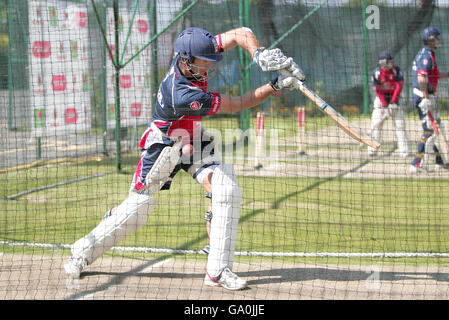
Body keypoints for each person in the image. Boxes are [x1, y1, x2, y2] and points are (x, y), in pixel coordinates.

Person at [64, 26, 304, 291]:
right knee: (136, 211)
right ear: (187, 61)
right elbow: (237, 103)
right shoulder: (183, 95)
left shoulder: (193, 53)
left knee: (226, 189)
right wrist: (275, 86)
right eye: (205, 63)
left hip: (193, 136)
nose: (210, 67)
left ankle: (217, 271)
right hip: (165, 145)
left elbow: (242, 33)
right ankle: (81, 253)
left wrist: (260, 55)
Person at [410, 27, 449, 173]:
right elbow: (421, 78)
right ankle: (416, 163)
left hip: (429, 95)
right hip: (424, 97)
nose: (439, 40)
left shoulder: (430, 54)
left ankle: (439, 161)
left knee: (436, 129)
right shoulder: (426, 55)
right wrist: (425, 97)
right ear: (431, 39)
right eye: (437, 38)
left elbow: (433, 76)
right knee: (429, 131)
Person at [368, 50, 411, 157]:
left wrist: (393, 103)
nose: (393, 63)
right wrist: (385, 105)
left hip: (395, 100)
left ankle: (404, 150)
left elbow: (398, 87)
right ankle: (372, 149)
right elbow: (378, 90)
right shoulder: (376, 73)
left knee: (400, 126)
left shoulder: (397, 71)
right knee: (375, 125)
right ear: (383, 62)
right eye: (390, 61)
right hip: (381, 101)